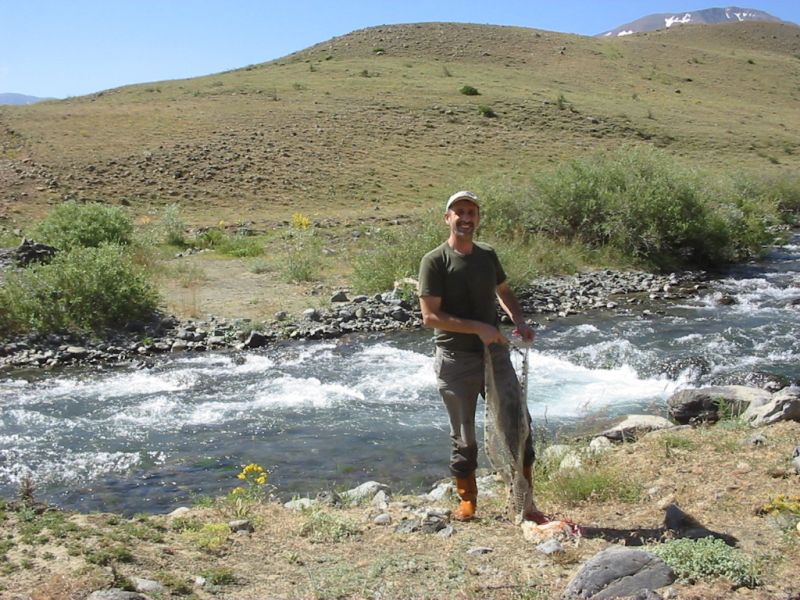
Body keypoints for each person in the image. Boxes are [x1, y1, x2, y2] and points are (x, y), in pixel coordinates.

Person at [418, 190, 536, 522]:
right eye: (459, 212)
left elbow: (503, 290)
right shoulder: (434, 261)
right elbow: (430, 317)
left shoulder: (487, 255)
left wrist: (519, 320)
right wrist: (477, 328)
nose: (466, 218)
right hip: (455, 359)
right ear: (447, 218)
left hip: (495, 354)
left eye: (471, 213)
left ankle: (524, 499)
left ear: (478, 218)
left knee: (518, 424)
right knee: (464, 436)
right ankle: (467, 500)